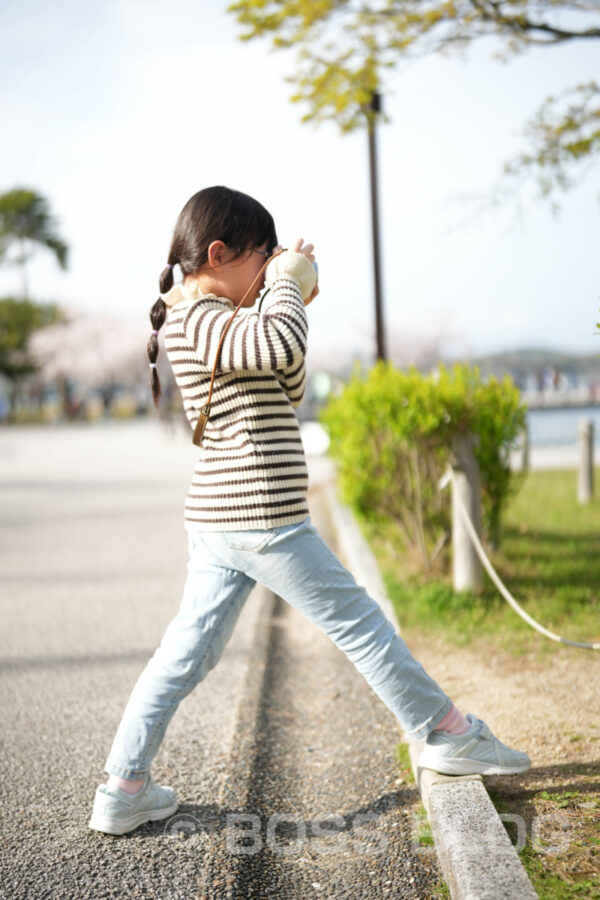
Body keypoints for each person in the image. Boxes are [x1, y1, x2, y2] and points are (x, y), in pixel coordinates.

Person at [88, 186, 530, 836]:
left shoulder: (230, 319)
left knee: (187, 653)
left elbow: (287, 380)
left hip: (227, 522)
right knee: (359, 623)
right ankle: (445, 730)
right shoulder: (195, 318)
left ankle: (124, 787)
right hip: (259, 516)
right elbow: (279, 349)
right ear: (218, 253)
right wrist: (287, 287)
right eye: (261, 257)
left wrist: (282, 291)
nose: (269, 269)